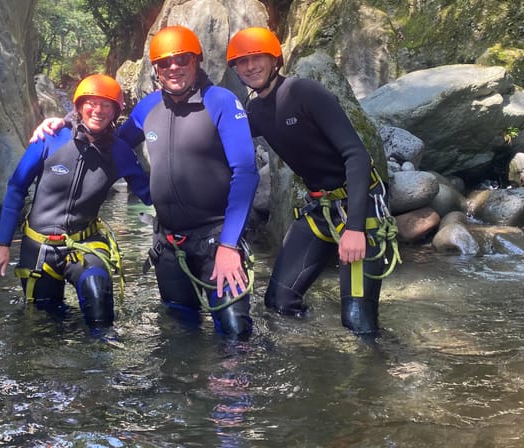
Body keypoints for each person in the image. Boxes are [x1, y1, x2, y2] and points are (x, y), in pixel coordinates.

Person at [35, 26, 259, 339]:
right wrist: (66, 123)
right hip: (169, 244)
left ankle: (234, 387)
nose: (174, 68)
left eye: (182, 59)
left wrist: (229, 246)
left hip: (216, 240)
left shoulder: (221, 102)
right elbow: (107, 141)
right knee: (177, 332)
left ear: (197, 61)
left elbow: (246, 172)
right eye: (165, 63)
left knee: (235, 333)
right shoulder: (149, 106)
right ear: (155, 70)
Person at [226, 27, 398, 336]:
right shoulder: (254, 110)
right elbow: (222, 144)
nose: (250, 66)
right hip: (320, 207)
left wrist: (355, 229)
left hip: (361, 206)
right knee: (279, 302)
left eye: (256, 58)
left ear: (274, 58)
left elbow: (357, 157)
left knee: (358, 321)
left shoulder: (304, 92)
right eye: (241, 61)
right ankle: (315, 356)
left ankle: (386, 364)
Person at [0, 74, 151, 332]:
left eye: (106, 105)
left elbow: (150, 194)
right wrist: (2, 245)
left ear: (116, 111)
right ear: (79, 106)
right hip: (39, 246)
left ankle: (101, 363)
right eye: (91, 102)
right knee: (45, 325)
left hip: (85, 244)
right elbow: (17, 187)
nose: (98, 110)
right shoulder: (51, 137)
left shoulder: (120, 151)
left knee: (98, 295)